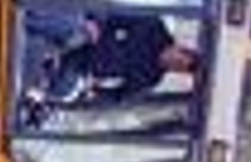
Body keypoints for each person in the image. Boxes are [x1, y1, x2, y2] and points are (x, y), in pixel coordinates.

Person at [30, 11, 199, 105]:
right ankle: (22, 22)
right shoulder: (154, 25)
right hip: (87, 38)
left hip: (82, 67)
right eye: (178, 60)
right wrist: (97, 22)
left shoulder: (151, 78)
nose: (173, 64)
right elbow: (114, 13)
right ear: (180, 48)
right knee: (72, 29)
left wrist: (94, 92)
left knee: (64, 92)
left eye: (177, 68)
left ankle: (29, 84)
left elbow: (120, 96)